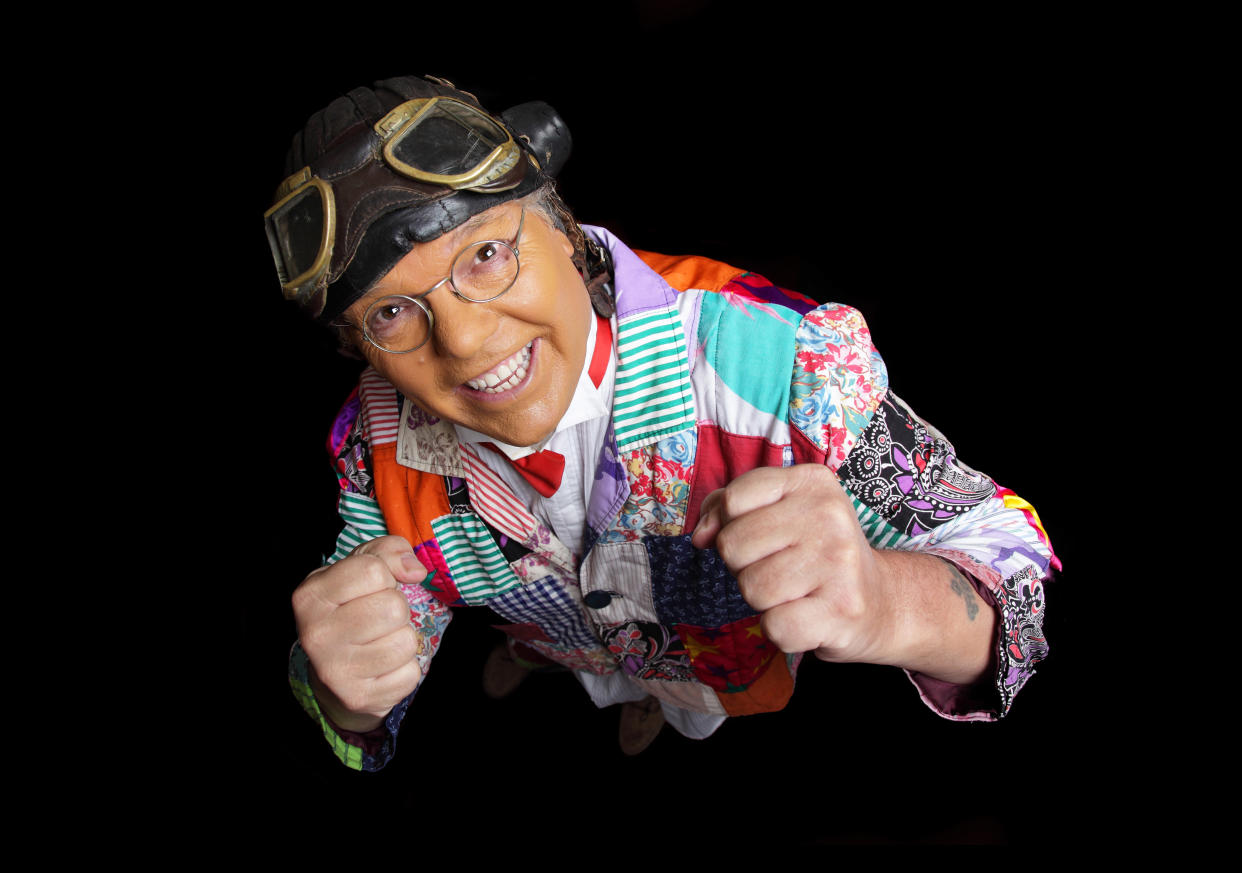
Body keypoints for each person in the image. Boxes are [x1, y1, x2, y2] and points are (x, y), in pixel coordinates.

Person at [265, 75, 1058, 770]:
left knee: (690, 706)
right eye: (395, 313)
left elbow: (1013, 567)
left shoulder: (784, 364)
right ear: (360, 345)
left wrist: (886, 600)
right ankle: (594, 678)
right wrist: (346, 697)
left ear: (561, 226)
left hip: (725, 668)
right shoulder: (372, 450)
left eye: (483, 255)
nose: (468, 345)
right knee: (573, 658)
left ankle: (665, 702)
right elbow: (369, 617)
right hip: (557, 636)